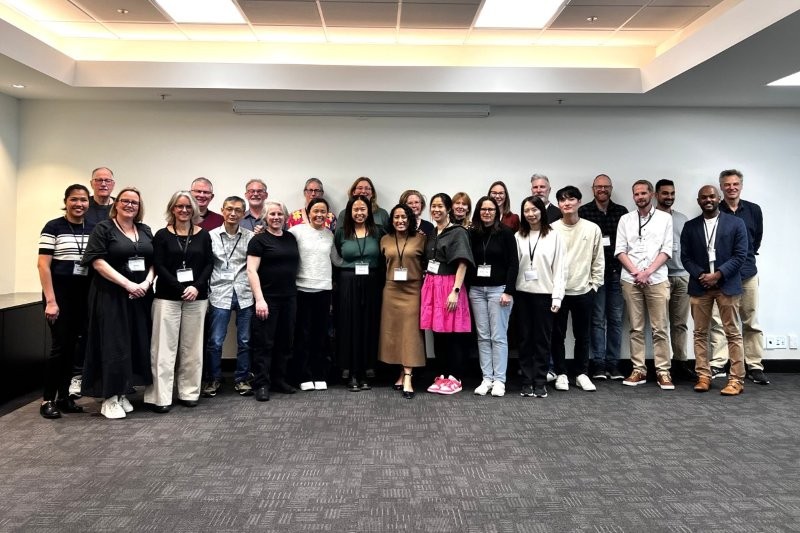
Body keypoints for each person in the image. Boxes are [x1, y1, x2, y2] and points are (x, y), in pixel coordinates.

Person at [81, 187, 155, 419]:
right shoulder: (103, 228)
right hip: (111, 295)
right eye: (125, 201)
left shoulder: (144, 230)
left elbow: (154, 260)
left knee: (133, 342)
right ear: (116, 203)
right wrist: (127, 284)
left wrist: (147, 283)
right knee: (113, 344)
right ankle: (109, 398)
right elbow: (97, 262)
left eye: (134, 202)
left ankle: (123, 391)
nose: (130, 205)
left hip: (140, 296)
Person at [144, 192, 213, 413]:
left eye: (188, 207)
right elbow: (159, 265)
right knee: (163, 349)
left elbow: (209, 264)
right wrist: (180, 287)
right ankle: (160, 396)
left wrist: (196, 287)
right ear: (172, 209)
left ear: (194, 210)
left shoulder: (203, 235)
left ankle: (189, 393)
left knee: (192, 349)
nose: (184, 210)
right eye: (179, 206)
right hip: (167, 297)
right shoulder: (162, 235)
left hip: (197, 297)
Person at [681, 185, 748, 395]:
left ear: (719, 198)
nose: (708, 200)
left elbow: (740, 255)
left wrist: (718, 275)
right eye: (704, 197)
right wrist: (702, 275)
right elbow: (685, 257)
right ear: (698, 201)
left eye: (712, 196)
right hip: (700, 286)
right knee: (700, 333)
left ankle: (736, 380)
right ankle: (703, 376)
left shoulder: (736, 223)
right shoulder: (690, 226)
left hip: (727, 285)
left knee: (732, 333)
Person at [37, 184, 95, 418]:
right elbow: (43, 265)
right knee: (60, 347)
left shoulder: (93, 228)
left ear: (88, 203)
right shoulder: (53, 227)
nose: (79, 204)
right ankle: (47, 400)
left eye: (83, 200)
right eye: (74, 199)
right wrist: (51, 301)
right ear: (66, 202)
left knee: (73, 349)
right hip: (58, 297)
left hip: (83, 297)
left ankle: (63, 397)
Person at [708, 169, 768, 384]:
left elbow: (756, 240)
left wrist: (745, 259)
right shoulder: (715, 210)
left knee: (750, 319)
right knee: (719, 321)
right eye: (727, 184)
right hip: (722, 274)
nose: (731, 188)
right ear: (721, 187)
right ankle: (718, 362)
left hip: (748, 272)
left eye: (735, 184)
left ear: (741, 186)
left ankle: (754, 365)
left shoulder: (753, 210)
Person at [616, 179, 674, 390]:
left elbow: (666, 250)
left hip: (656, 279)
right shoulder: (625, 219)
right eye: (636, 194)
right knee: (636, 328)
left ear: (652, 195)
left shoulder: (665, 218)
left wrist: (647, 272)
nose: (640, 197)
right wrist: (636, 272)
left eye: (643, 193)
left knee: (660, 328)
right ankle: (638, 370)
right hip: (631, 279)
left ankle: (663, 371)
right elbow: (620, 250)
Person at [550, 186, 604, 392]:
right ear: (558, 204)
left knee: (583, 335)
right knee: (558, 335)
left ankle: (582, 373)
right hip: (559, 293)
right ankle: (561, 373)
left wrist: (594, 285)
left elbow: (598, 259)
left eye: (571, 199)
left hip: (584, 291)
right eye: (563, 200)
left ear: (579, 202)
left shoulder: (592, 229)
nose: (567, 203)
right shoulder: (552, 229)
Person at [421, 193, 474, 395]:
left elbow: (463, 263)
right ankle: (442, 375)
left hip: (450, 285)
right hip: (433, 285)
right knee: (438, 333)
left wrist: (455, 291)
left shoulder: (458, 232)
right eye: (433, 206)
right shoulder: (432, 232)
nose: (436, 210)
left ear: (448, 209)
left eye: (440, 206)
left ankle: (455, 377)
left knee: (453, 334)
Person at [247, 201, 300, 401]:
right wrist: (259, 299)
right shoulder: (258, 240)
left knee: (285, 341)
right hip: (267, 299)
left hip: (289, 297)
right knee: (264, 342)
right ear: (265, 217)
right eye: (272, 214)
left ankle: (279, 380)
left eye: (279, 214)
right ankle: (262, 383)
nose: (276, 217)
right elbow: (251, 271)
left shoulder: (290, 238)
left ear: (285, 217)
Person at [203, 196, 255, 398]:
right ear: (222, 210)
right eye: (229, 209)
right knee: (215, 341)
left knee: (245, 340)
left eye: (238, 210)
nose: (233, 213)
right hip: (219, 293)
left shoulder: (251, 237)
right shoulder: (210, 236)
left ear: (243, 214)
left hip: (245, 293)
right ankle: (214, 378)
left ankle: (242, 378)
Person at [515, 197, 565, 398]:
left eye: (534, 209)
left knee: (542, 341)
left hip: (545, 295)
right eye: (526, 210)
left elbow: (560, 268)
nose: (531, 214)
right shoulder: (518, 236)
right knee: (524, 339)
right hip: (522, 294)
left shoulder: (554, 235)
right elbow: (513, 267)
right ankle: (527, 381)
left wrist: (557, 297)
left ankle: (540, 381)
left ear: (541, 211)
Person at [579, 174, 628, 380]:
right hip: (595, 275)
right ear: (593, 189)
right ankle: (598, 364)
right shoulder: (584, 212)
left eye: (606, 186)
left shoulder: (622, 212)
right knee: (597, 320)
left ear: (611, 188)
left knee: (615, 320)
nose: (602, 189)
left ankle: (613, 364)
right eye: (598, 186)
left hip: (617, 272)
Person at [468, 196, 518, 397]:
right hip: (477, 291)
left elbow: (514, 264)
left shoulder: (506, 233)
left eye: (491, 209)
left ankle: (499, 380)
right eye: (483, 209)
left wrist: (509, 291)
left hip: (499, 290)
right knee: (482, 337)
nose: (487, 212)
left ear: (497, 212)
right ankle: (486, 378)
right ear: (478, 212)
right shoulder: (473, 233)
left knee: (498, 337)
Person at [333, 196, 384, 391]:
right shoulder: (342, 232)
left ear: (369, 211)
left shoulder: (378, 231)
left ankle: (366, 371)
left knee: (369, 325)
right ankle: (352, 372)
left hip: (372, 282)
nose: (359, 213)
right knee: (349, 326)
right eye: (356, 209)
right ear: (349, 211)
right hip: (348, 282)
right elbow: (337, 256)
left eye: (363, 209)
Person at [379, 204, 426, 399]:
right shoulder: (384, 239)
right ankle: (401, 372)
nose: (400, 220)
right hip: (391, 290)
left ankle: (408, 376)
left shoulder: (421, 239)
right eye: (396, 217)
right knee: (396, 334)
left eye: (404, 217)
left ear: (410, 219)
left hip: (413, 290)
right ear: (392, 220)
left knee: (410, 333)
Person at [289, 197, 336, 392]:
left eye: (323, 211)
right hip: (301, 290)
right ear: (308, 213)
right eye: (315, 211)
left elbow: (336, 260)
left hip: (324, 290)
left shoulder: (330, 234)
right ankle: (304, 375)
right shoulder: (296, 232)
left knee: (321, 334)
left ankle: (319, 374)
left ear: (327, 214)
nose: (319, 215)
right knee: (303, 334)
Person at [655, 179, 695, 381]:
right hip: (659, 277)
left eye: (672, 193)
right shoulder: (650, 218)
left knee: (680, 324)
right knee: (660, 325)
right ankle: (663, 367)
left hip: (681, 276)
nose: (669, 197)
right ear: (656, 195)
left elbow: (689, 247)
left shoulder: (682, 219)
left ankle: (681, 362)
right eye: (665, 193)